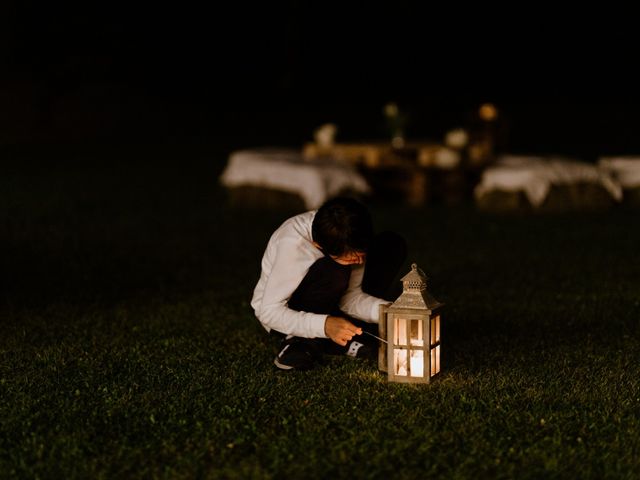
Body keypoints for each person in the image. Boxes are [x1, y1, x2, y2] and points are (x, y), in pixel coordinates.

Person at [251, 196, 407, 370]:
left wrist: (391, 312)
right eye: (354, 257)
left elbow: (350, 297)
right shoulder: (294, 244)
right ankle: (300, 341)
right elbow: (269, 311)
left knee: (390, 244)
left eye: (362, 253)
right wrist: (325, 325)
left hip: (331, 299)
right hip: (286, 313)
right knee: (335, 269)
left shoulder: (349, 235)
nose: (360, 260)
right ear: (317, 245)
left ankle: (341, 335)